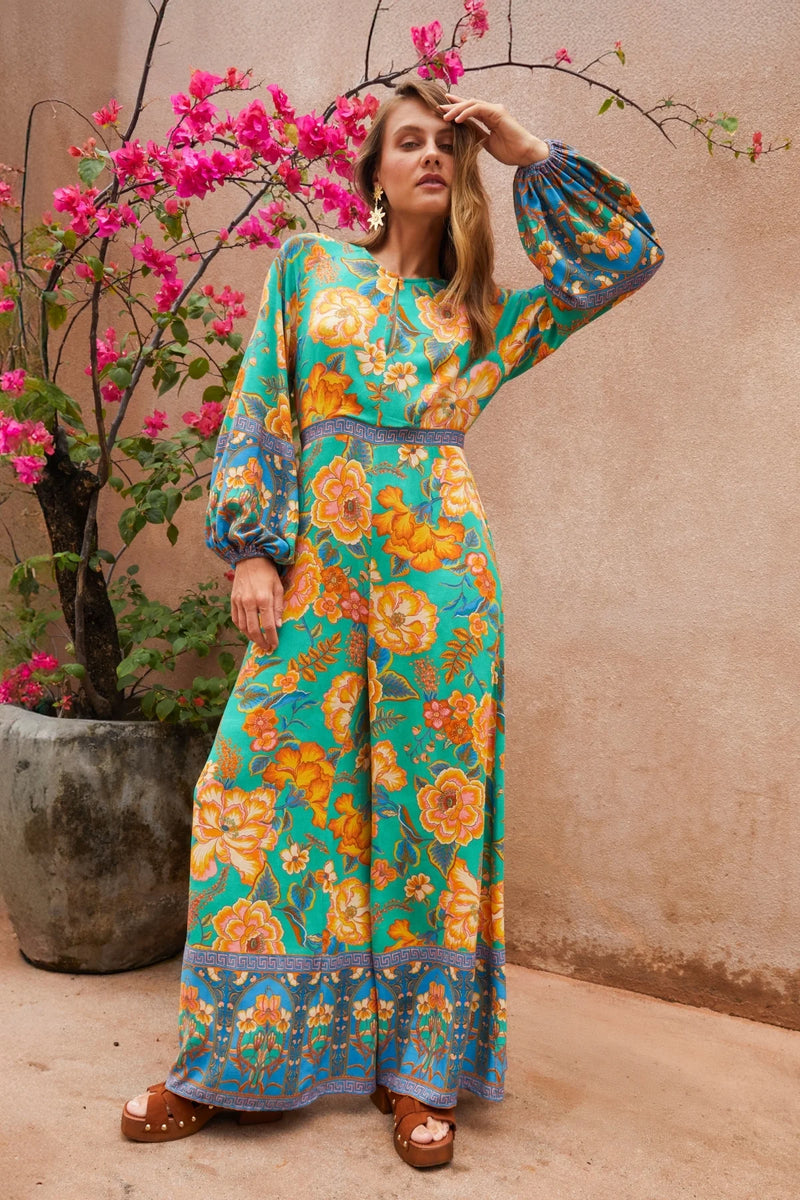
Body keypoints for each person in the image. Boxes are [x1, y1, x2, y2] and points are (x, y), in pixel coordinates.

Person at [121, 77, 665, 1168]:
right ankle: (228, 1063)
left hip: (442, 590)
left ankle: (423, 1079)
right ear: (370, 171)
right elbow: (260, 403)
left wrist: (521, 149)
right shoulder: (308, 270)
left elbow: (623, 258)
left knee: (433, 820)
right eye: (404, 143)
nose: (427, 156)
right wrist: (257, 550)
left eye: (442, 146)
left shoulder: (482, 315)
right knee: (253, 792)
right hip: (317, 573)